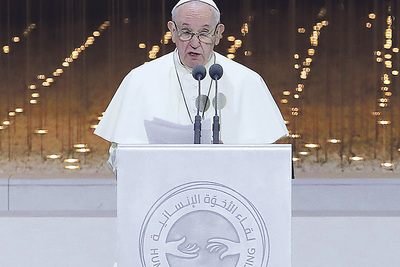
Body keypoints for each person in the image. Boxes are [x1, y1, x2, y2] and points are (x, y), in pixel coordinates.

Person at [95, 0, 288, 172]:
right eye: (186, 32)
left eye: (204, 33)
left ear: (218, 34)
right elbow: (119, 157)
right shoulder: (139, 80)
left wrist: (230, 158)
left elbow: (267, 161)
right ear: (172, 31)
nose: (195, 43)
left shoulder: (247, 81)